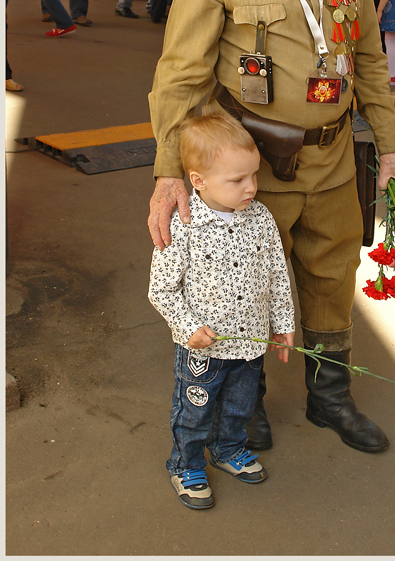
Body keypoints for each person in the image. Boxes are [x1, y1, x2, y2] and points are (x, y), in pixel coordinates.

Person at [147, 0, 395, 456]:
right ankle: (251, 396)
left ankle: (329, 399)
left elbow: (371, 60)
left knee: (333, 277)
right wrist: (166, 173)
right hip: (251, 169)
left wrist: (393, 146)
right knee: (246, 285)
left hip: (333, 161)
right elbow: (181, 73)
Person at [148, 109, 295, 510]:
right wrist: (188, 325)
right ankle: (186, 464)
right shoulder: (183, 225)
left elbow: (277, 274)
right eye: (237, 180)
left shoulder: (260, 218)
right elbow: (161, 288)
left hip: (250, 343)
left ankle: (228, 449)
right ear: (199, 181)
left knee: (239, 406)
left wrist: (282, 324)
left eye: (253, 175)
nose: (250, 187)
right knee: (194, 410)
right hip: (203, 350)